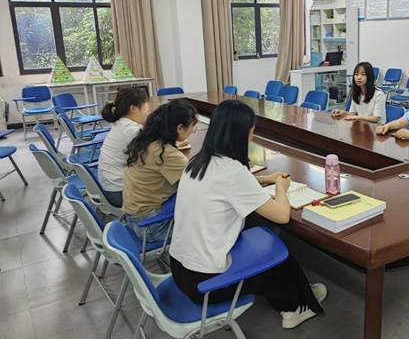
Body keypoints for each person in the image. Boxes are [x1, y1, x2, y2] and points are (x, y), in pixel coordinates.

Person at [170, 100, 327, 330]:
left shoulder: (197, 162)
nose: (252, 138)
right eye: (251, 132)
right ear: (239, 135)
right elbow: (282, 215)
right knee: (276, 255)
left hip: (180, 270)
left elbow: (228, 187)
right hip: (205, 284)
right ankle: (295, 308)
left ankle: (298, 292)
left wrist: (262, 179)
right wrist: (281, 188)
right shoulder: (232, 171)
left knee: (257, 230)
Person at [123, 99, 198, 243]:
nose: (192, 131)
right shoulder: (165, 153)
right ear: (180, 128)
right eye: (192, 126)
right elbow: (199, 186)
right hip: (152, 227)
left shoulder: (146, 142)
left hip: (133, 219)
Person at [98, 87, 150, 207]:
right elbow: (153, 156)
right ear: (133, 108)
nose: (148, 106)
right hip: (119, 193)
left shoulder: (121, 123)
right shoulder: (131, 130)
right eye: (145, 103)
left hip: (110, 186)